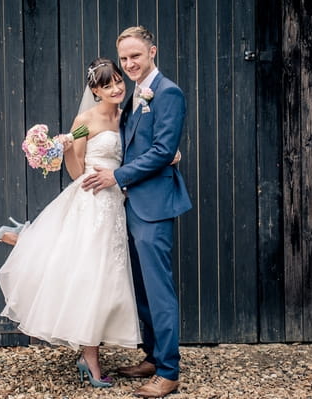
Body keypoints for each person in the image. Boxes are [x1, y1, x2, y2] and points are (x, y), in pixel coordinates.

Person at [0, 58, 142, 388]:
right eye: (106, 85)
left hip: (116, 203)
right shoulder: (86, 121)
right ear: (94, 90)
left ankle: (21, 236)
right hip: (92, 203)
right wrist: (69, 146)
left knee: (108, 277)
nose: (116, 88)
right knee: (92, 276)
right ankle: (90, 360)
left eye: (118, 81)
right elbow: (76, 172)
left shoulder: (127, 115)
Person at [81, 26, 192, 398]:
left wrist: (117, 175)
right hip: (130, 205)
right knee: (141, 289)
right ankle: (152, 355)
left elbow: (162, 150)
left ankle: (169, 371)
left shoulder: (167, 92)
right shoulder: (131, 96)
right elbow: (131, 142)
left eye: (135, 56)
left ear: (152, 52)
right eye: (124, 58)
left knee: (159, 290)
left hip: (154, 205)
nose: (129, 64)